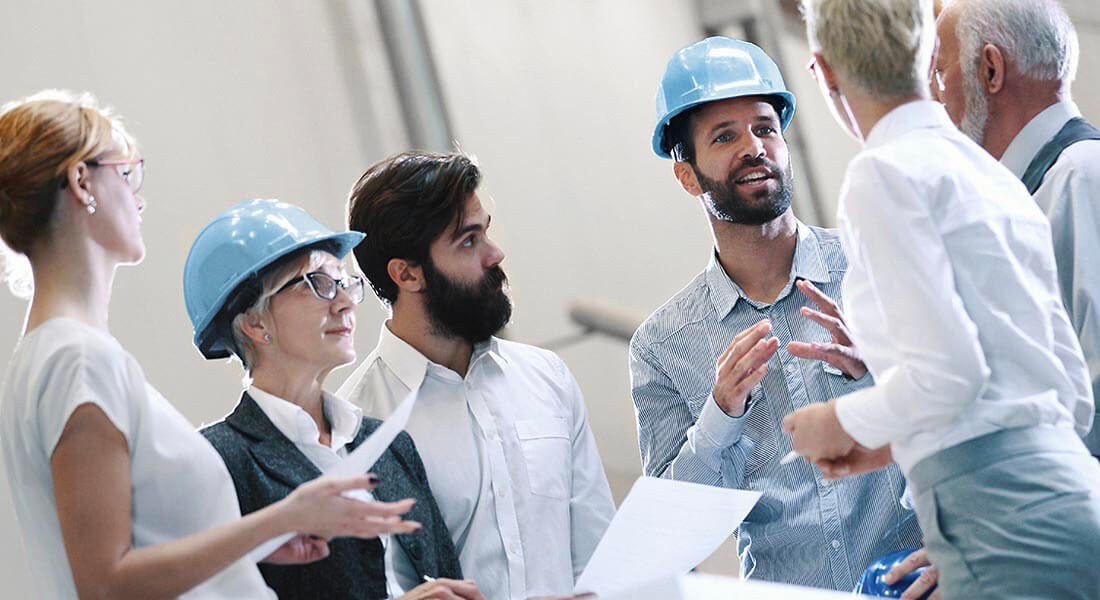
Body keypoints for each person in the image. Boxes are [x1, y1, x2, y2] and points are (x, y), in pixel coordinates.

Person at [0, 91, 413, 599]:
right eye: (127, 173)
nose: (139, 198)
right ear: (81, 181)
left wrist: (252, 546)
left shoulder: (47, 355)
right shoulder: (78, 359)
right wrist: (283, 516)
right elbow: (105, 583)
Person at [787, 1, 1100, 597]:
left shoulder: (882, 174)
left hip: (1003, 528)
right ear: (929, 54)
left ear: (823, 72)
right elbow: (1072, 396)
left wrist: (838, 420)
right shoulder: (994, 175)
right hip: (1078, 503)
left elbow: (950, 371)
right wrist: (897, 438)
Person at [631, 36, 920, 591]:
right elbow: (671, 533)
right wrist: (720, 416)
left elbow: (965, 410)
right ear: (686, 174)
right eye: (724, 136)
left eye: (765, 128)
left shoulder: (875, 264)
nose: (754, 147)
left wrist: (878, 373)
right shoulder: (661, 345)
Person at [336, 151, 616, 600]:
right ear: (406, 273)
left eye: (484, 230)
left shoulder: (547, 378)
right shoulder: (353, 424)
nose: (494, 254)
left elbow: (597, 555)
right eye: (468, 241)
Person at [185, 198, 483, 600]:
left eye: (344, 282)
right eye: (318, 284)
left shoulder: (389, 444)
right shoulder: (218, 461)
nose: (343, 302)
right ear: (254, 322)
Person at [934, 0, 1100, 455]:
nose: (933, 99)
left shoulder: (1082, 177)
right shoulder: (1029, 196)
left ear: (990, 70)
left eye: (939, 75)